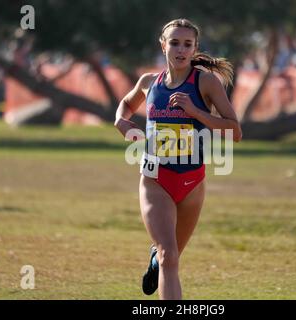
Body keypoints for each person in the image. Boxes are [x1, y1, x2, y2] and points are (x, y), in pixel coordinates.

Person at [114, 18, 242, 300]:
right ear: (163, 46)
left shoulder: (206, 82)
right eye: (174, 43)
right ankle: (159, 258)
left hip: (192, 182)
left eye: (187, 44)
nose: (181, 50)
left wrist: (196, 112)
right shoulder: (149, 82)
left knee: (170, 256)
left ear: (195, 48)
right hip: (155, 179)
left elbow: (235, 131)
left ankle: (154, 258)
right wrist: (122, 123)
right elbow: (125, 105)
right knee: (169, 256)